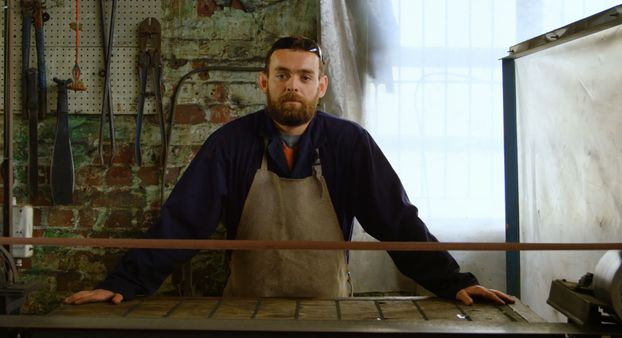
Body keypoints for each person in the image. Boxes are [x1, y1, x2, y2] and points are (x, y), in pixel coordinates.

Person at [65, 35, 514, 306]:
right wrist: (123, 283)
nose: (292, 86)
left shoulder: (350, 145)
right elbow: (181, 224)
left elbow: (397, 222)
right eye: (282, 75)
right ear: (264, 82)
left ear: (321, 85)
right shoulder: (230, 145)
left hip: (330, 312)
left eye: (304, 76)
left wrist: (454, 283)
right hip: (246, 312)